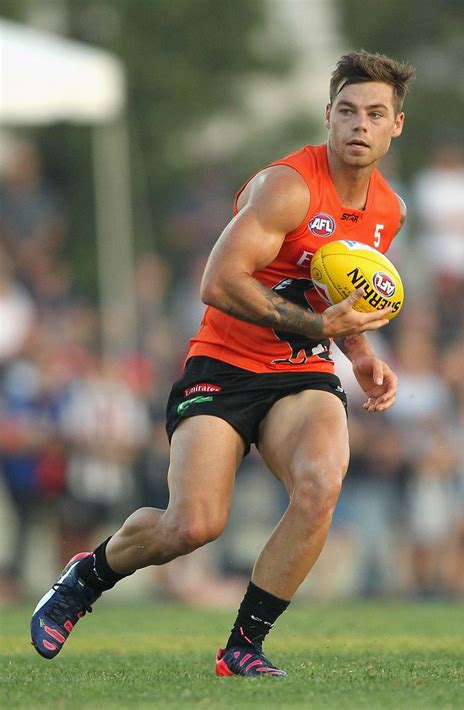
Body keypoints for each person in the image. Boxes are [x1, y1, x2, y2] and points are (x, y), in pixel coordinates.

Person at [30, 50, 415, 676]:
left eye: (375, 114)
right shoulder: (288, 187)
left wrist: (362, 353)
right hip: (225, 364)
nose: (359, 126)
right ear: (327, 115)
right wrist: (321, 326)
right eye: (347, 111)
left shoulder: (389, 212)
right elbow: (218, 282)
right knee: (192, 526)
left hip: (300, 372)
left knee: (321, 483)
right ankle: (86, 577)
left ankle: (243, 648)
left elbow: (335, 297)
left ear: (396, 124)